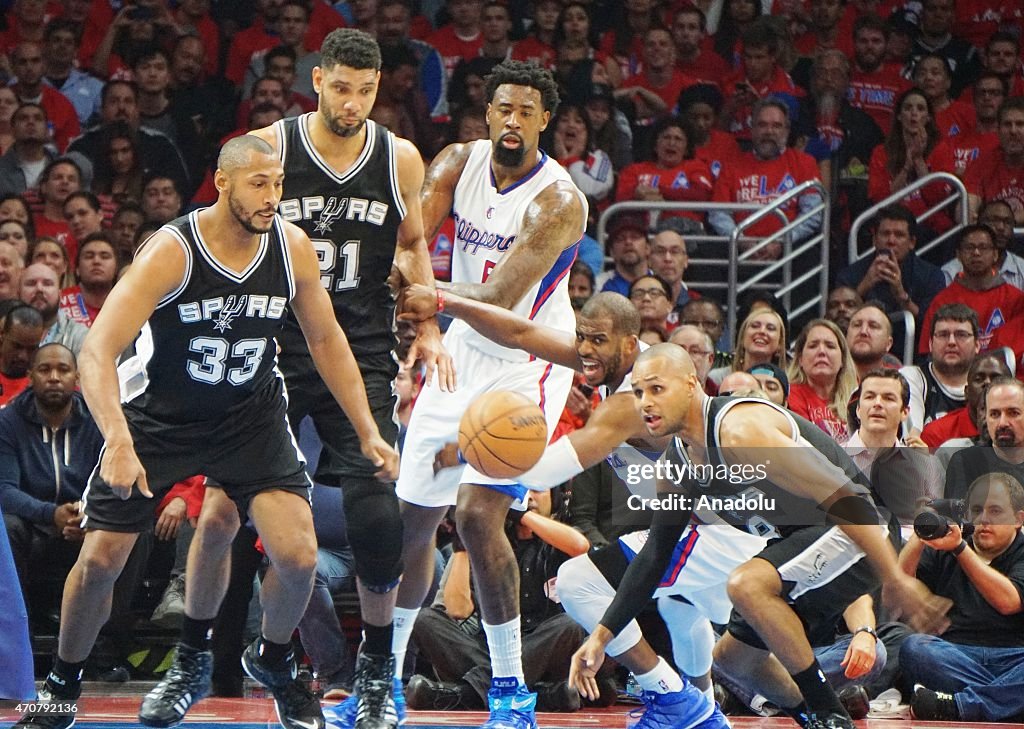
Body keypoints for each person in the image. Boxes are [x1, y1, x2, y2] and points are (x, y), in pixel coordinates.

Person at [13, 135, 399, 729]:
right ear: (223, 183)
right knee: (100, 561)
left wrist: (367, 430)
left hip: (249, 414)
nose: (274, 198)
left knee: (297, 557)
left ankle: (274, 662)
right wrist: (116, 440)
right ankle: (62, 687)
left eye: (279, 185)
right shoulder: (173, 250)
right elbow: (96, 351)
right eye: (259, 185)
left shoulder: (291, 246)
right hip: (160, 417)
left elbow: (325, 341)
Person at [191, 28, 450, 729]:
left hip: (359, 349)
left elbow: (416, 245)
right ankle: (216, 655)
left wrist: (425, 325)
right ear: (318, 79)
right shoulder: (273, 147)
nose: (353, 102)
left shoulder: (399, 157)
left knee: (375, 515)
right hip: (272, 343)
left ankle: (373, 672)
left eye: (366, 91)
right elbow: (226, 231)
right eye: (342, 87)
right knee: (221, 509)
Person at [568, 343, 952, 729]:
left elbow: (844, 495)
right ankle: (813, 713)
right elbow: (654, 556)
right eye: (637, 393)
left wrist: (895, 577)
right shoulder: (677, 465)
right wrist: (601, 637)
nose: (644, 403)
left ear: (690, 384)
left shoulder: (740, 431)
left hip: (856, 526)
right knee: (735, 659)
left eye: (655, 389)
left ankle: (827, 714)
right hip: (803, 538)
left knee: (747, 584)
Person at [391, 58, 588, 729]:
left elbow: (503, 296)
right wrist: (428, 329)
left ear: (545, 120)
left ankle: (510, 689)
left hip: (527, 356)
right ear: (489, 110)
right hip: (461, 348)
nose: (511, 121)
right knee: (413, 521)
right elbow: (410, 243)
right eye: (503, 108)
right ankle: (381, 678)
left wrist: (434, 296)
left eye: (526, 112)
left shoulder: (559, 200)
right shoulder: (454, 162)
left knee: (478, 514)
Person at [900, 471, 1024, 723]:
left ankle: (958, 706)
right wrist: (922, 532)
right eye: (976, 510)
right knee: (914, 648)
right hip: (954, 655)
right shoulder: (945, 543)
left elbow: (1008, 602)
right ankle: (1007, 702)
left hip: (1013, 658)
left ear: (1019, 519)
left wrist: (960, 550)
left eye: (995, 511)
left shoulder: (960, 546)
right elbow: (898, 583)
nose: (984, 519)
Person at [18, 263, 88, 356]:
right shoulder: (5, 333)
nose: (39, 288)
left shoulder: (80, 335)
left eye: (47, 284)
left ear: (60, 294)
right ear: (18, 293)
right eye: (31, 284)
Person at [0, 304, 44, 407]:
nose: (23, 356)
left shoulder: (44, 385)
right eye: (17, 346)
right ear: (2, 336)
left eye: (32, 349)